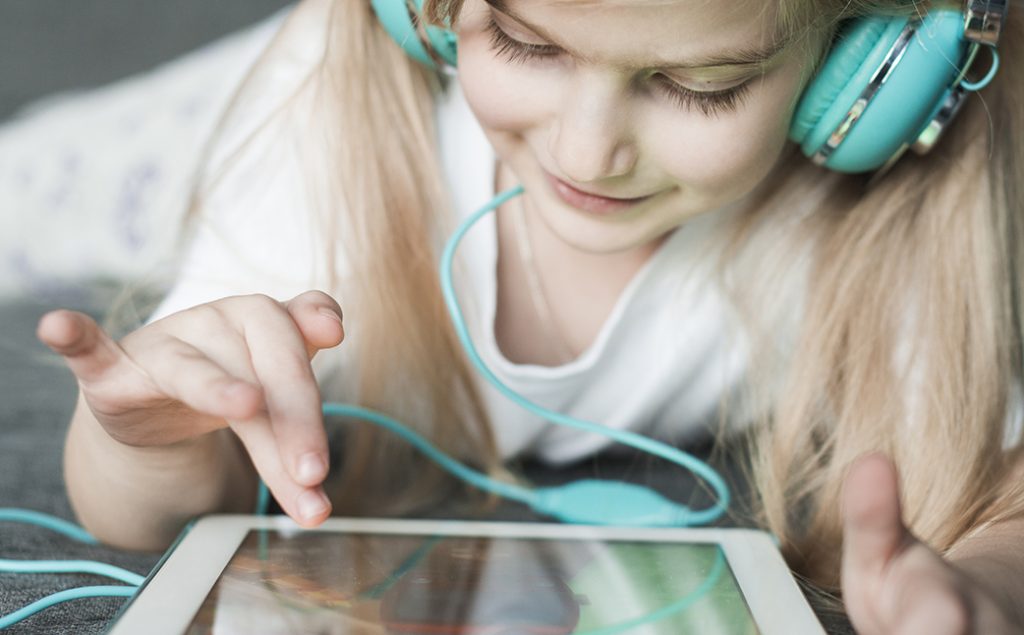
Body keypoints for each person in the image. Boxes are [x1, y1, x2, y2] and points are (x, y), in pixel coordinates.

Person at [33, 0, 1024, 631]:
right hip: (217, 122)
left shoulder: (859, 224)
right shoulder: (328, 132)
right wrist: (143, 435)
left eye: (698, 84)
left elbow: (1007, 497)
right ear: (426, 11)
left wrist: (983, 589)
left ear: (869, 79)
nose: (588, 154)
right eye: (524, 40)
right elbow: (130, 507)